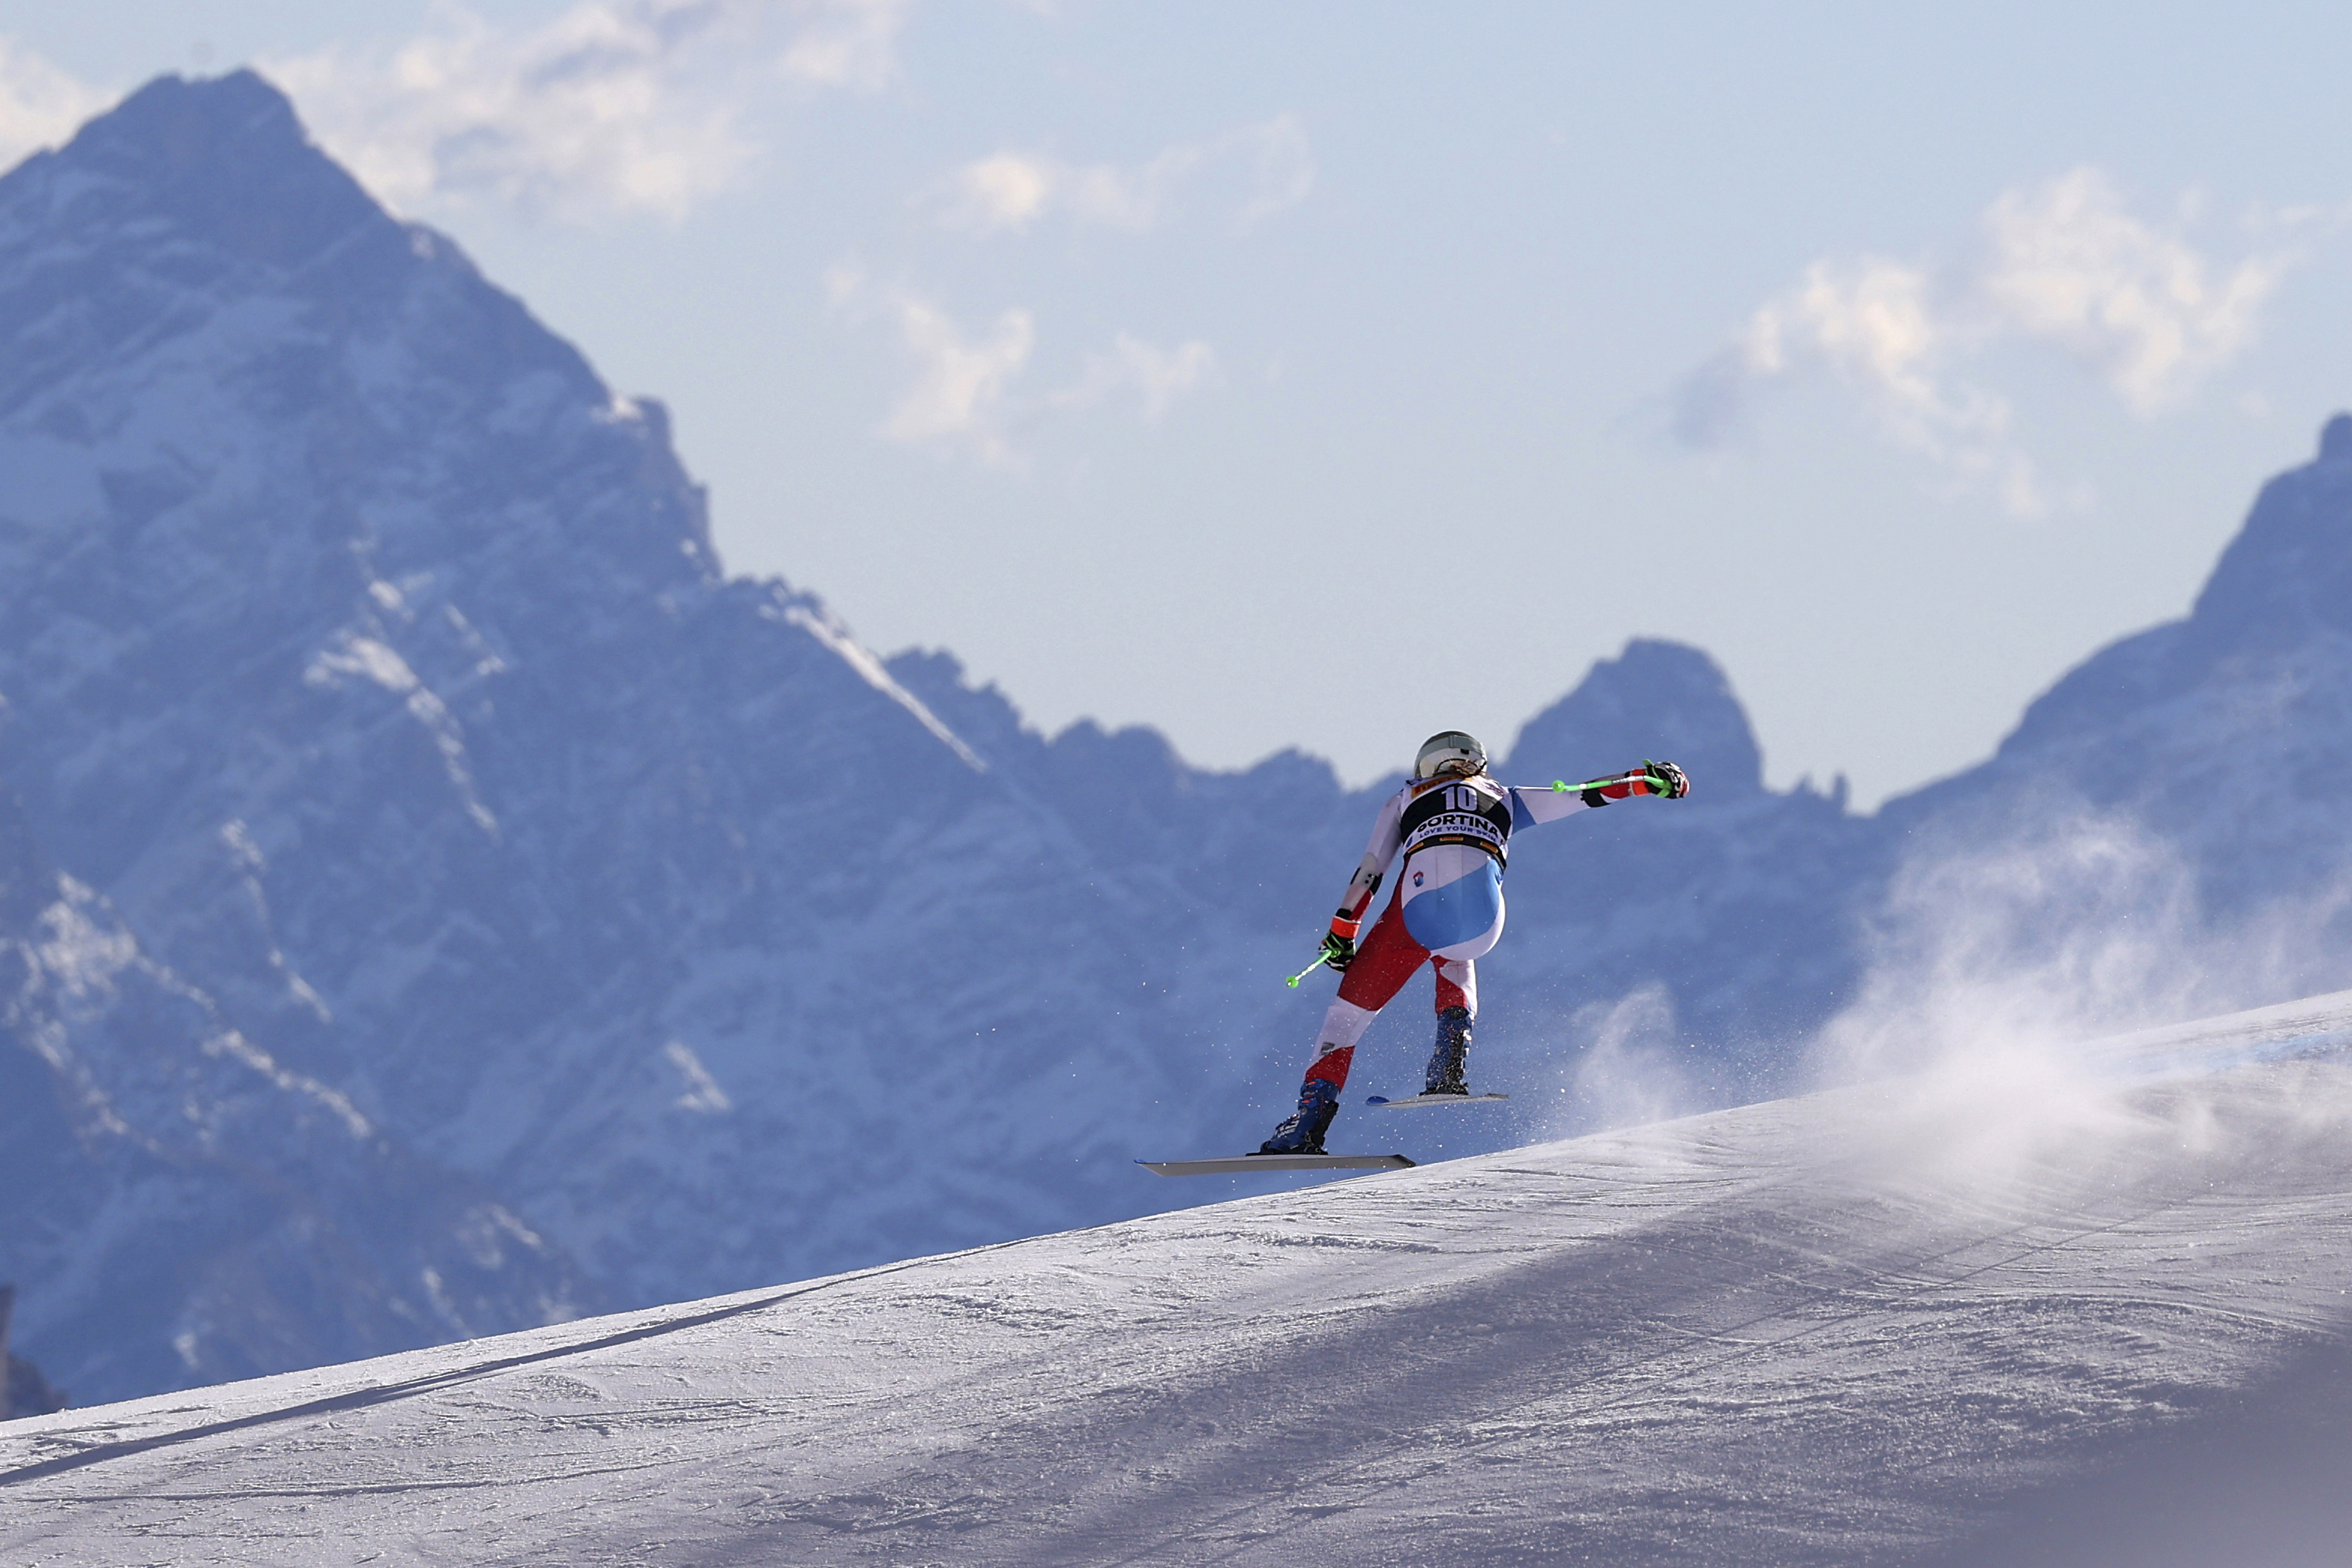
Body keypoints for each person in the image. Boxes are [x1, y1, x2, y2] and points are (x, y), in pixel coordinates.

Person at [1257, 729, 1690, 1155]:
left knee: (1344, 1017)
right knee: (1455, 949)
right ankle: (1450, 1063)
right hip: (1486, 923)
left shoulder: (1405, 798)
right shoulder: (1508, 796)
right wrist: (1646, 779)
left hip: (1417, 913)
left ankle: (1308, 1125)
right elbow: (1585, 794)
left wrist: (1342, 933)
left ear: (1428, 767)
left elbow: (1371, 872)